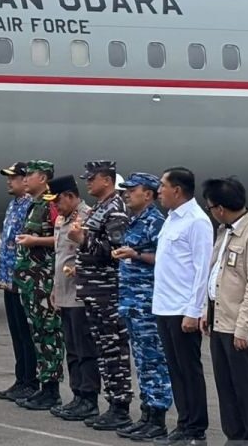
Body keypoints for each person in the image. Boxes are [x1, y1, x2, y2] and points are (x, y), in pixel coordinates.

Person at [201, 177, 248, 445]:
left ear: (220, 208)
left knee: (244, 386)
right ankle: (235, 436)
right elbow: (216, 275)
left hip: (238, 325)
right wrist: (206, 313)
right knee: (226, 385)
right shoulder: (225, 231)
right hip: (220, 319)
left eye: (210, 207)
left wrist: (243, 328)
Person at [152, 167, 214, 446]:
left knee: (189, 369)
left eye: (162, 186)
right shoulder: (171, 219)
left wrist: (194, 310)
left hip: (182, 309)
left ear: (177, 190)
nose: (159, 192)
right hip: (164, 306)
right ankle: (183, 423)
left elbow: (202, 270)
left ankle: (196, 429)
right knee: (175, 369)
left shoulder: (197, 221)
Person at [70, 159, 133, 431]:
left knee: (114, 349)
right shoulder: (100, 208)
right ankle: (112, 403)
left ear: (107, 180)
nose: (88, 182)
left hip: (107, 291)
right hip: (94, 291)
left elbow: (115, 252)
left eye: (92, 178)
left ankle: (120, 407)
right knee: (104, 350)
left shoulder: (115, 210)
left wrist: (83, 240)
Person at [112, 173, 172, 441]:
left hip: (147, 302)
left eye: (131, 190)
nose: (126, 194)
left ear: (148, 194)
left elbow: (164, 258)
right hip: (131, 302)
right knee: (142, 361)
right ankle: (146, 414)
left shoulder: (156, 221)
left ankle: (157, 418)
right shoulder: (135, 220)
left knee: (154, 361)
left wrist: (136, 254)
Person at [13, 160, 64, 411]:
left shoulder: (52, 203)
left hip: (45, 282)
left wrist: (35, 240)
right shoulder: (34, 205)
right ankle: (44, 387)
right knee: (38, 335)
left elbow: (62, 238)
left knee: (49, 334)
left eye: (29, 175)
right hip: (32, 283)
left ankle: (52, 390)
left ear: (42, 178)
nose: (25, 179)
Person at [49, 174, 100, 422]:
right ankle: (77, 395)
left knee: (85, 349)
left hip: (81, 294)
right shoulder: (63, 219)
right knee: (71, 348)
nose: (56, 206)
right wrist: (55, 289)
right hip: (64, 292)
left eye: (58, 200)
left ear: (70, 196)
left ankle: (89, 398)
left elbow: (90, 252)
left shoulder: (86, 217)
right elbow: (60, 257)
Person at [0, 161, 39, 402]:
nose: (8, 181)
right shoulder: (14, 205)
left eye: (14, 177)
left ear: (26, 180)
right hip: (9, 279)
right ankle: (21, 378)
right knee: (16, 331)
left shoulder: (33, 206)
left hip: (25, 279)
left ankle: (31, 381)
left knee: (26, 331)